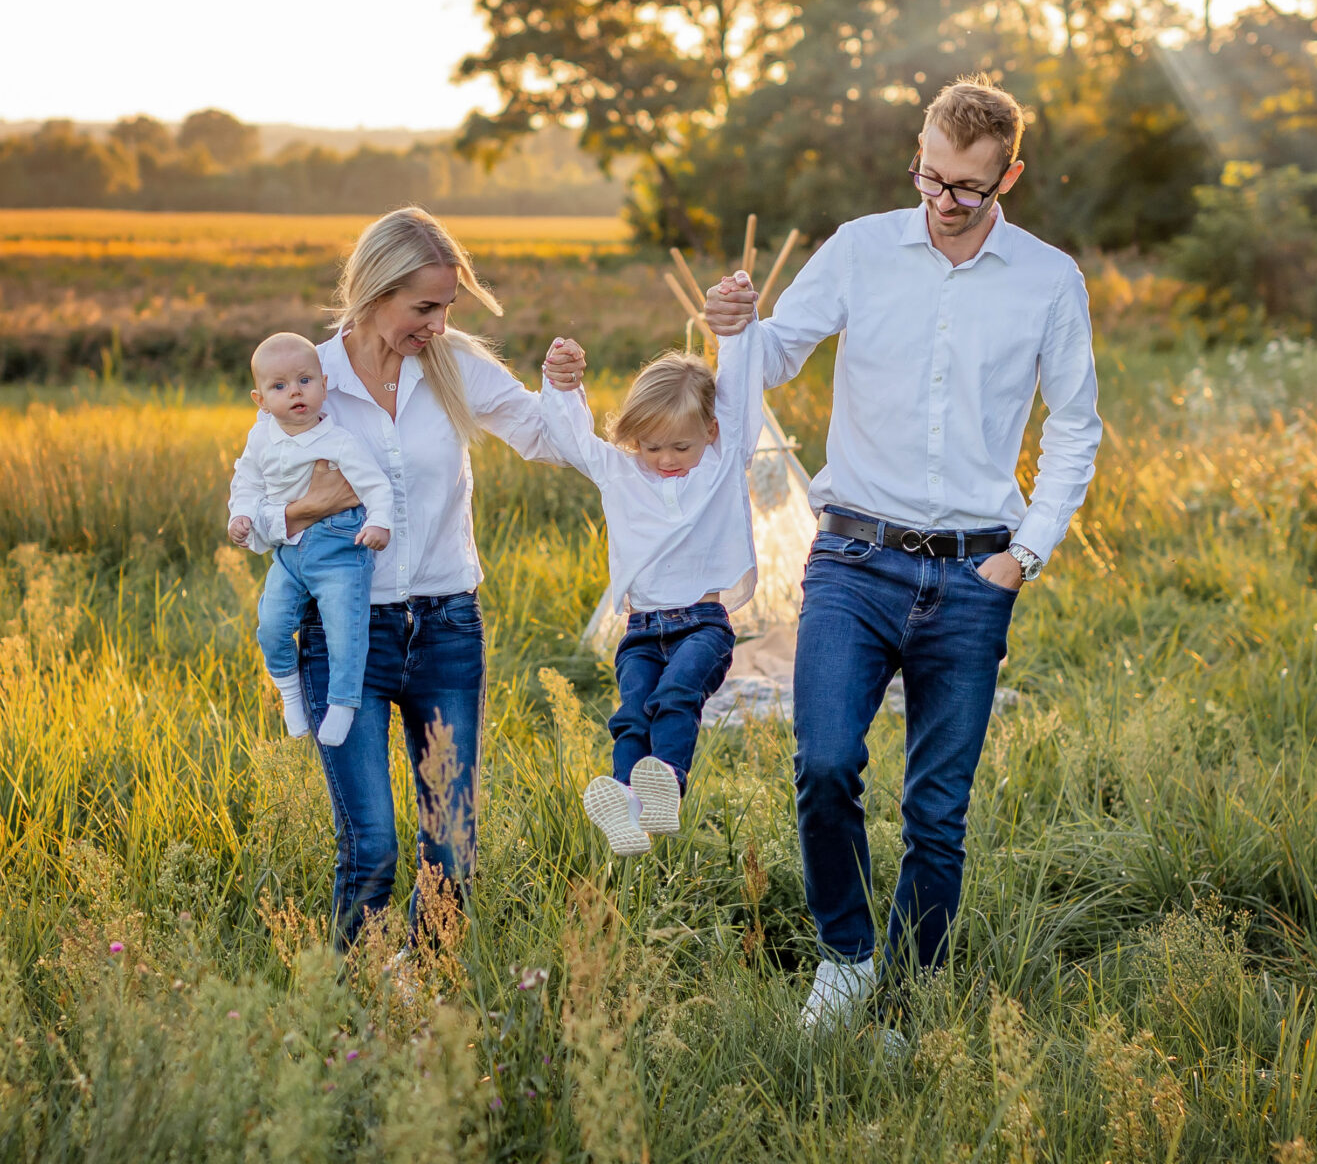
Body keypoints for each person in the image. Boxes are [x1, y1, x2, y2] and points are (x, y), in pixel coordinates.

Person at [702, 75, 1103, 1029]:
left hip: (975, 572)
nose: (945, 204)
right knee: (828, 762)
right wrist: (734, 332)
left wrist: (1025, 554)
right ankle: (845, 958)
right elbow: (774, 357)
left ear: (1010, 174)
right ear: (918, 157)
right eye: (929, 179)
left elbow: (1076, 427)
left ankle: (909, 1002)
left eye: (968, 188)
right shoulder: (859, 249)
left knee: (937, 810)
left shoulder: (1049, 279)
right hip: (853, 557)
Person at [229, 207, 583, 950]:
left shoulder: (455, 365)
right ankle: (360, 1020)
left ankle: (430, 1004)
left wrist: (562, 387)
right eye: (425, 306)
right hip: (344, 629)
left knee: (450, 850)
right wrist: (308, 506)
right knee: (373, 851)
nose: (438, 321)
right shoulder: (303, 379)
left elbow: (551, 441)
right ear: (373, 293)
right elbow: (251, 516)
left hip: (448, 628)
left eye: (448, 305)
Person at [536, 320, 764, 855]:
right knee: (632, 713)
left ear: (710, 431)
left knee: (676, 695)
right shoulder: (621, 472)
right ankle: (628, 803)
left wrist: (733, 331)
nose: (665, 460)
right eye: (652, 446)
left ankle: (667, 783)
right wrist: (563, 385)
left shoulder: (723, 462)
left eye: (680, 447)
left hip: (702, 624)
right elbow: (573, 439)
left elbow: (742, 392)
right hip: (640, 629)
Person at [229, 331, 394, 748]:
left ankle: (343, 702)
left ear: (323, 383)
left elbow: (375, 484)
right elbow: (246, 480)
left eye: (305, 381)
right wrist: (241, 514)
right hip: (289, 553)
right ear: (260, 400)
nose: (295, 392)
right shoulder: (261, 437)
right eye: (279, 386)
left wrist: (379, 522)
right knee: (272, 625)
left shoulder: (338, 440)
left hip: (339, 547)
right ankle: (289, 695)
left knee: (345, 626)